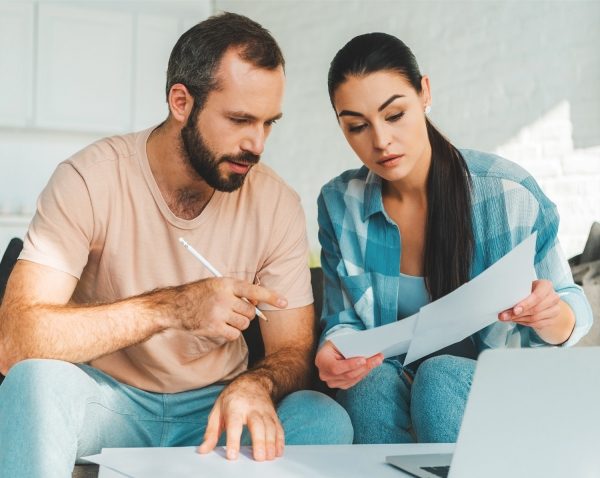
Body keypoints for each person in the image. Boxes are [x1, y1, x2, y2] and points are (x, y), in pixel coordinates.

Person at [0, 12, 352, 477]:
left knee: (320, 417)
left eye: (269, 123)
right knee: (32, 381)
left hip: (217, 409)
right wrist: (171, 308)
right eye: (240, 119)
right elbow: (15, 340)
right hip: (107, 400)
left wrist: (257, 384)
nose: (257, 143)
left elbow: (292, 352)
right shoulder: (90, 178)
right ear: (181, 102)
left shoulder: (276, 203)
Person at [315, 32, 593, 444]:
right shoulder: (341, 204)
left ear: (424, 92)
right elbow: (343, 322)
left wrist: (551, 314)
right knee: (367, 386)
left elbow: (573, 310)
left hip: (501, 392)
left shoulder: (506, 192)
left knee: (440, 377)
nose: (380, 141)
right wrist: (334, 352)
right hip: (396, 384)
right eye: (356, 126)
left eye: (394, 115)